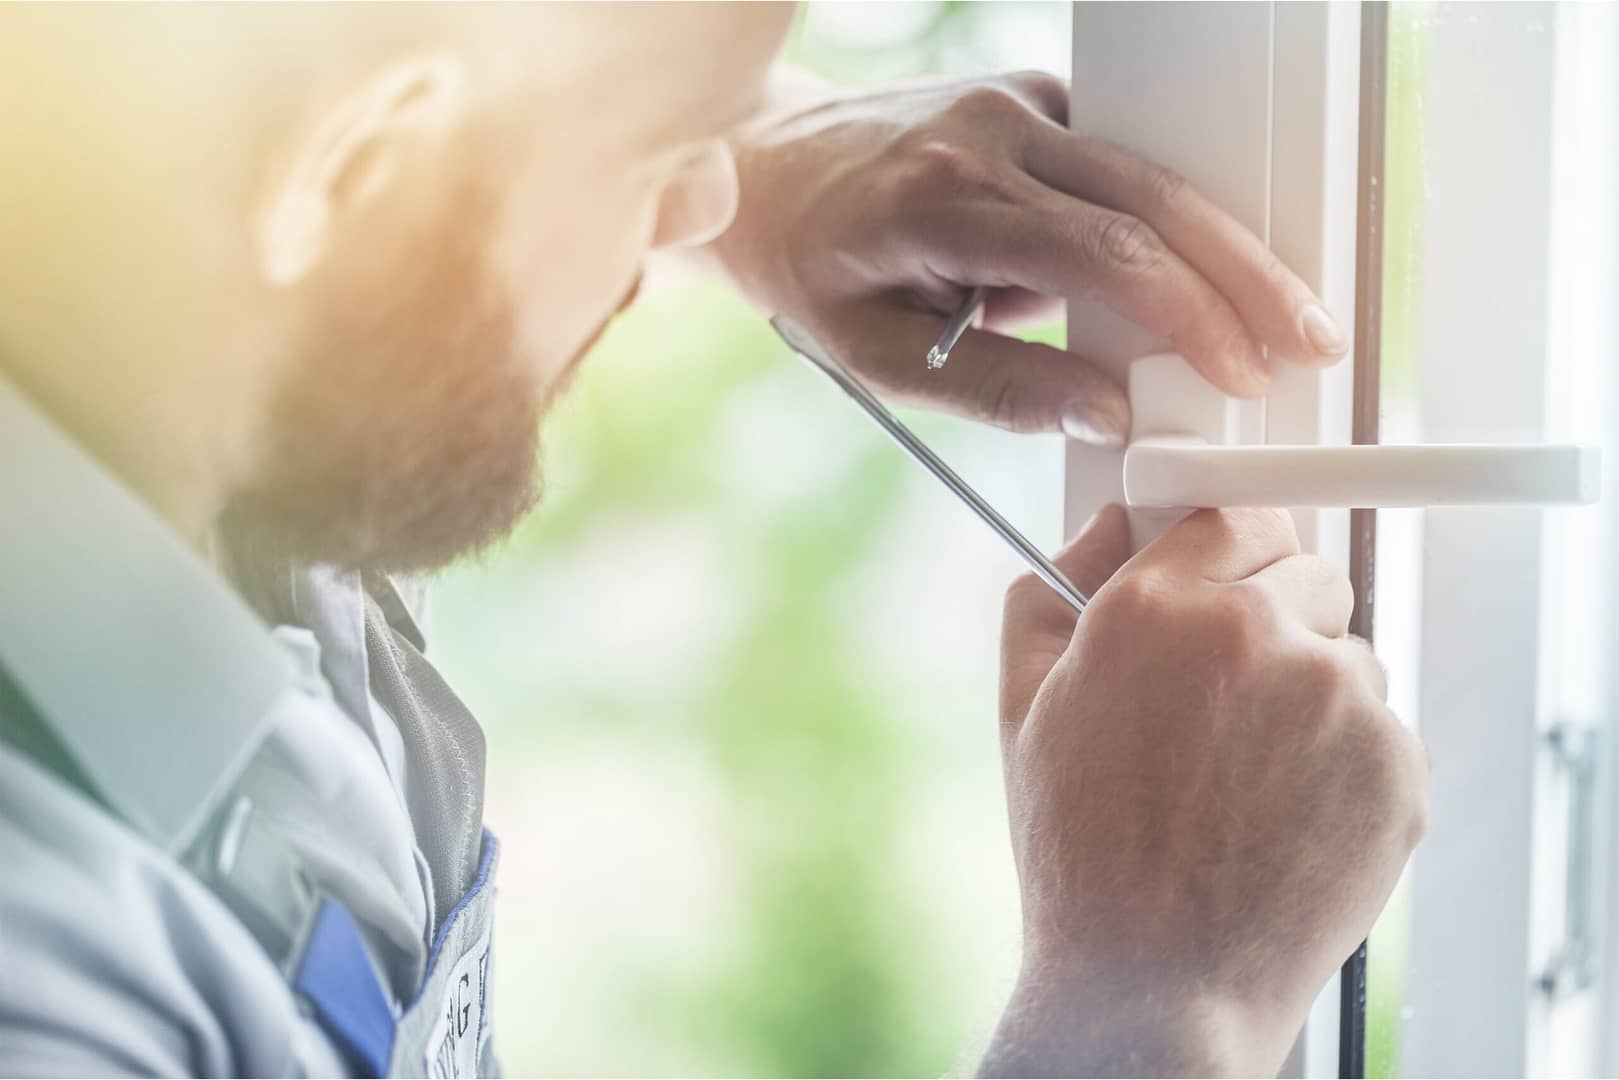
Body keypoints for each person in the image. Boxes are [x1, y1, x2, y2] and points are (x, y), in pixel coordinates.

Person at [0, 4, 1427, 1077]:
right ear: (359, 168)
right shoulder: (53, 983)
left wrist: (746, 132)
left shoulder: (182, 392)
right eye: (667, 159)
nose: (714, 212)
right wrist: (1152, 1003)